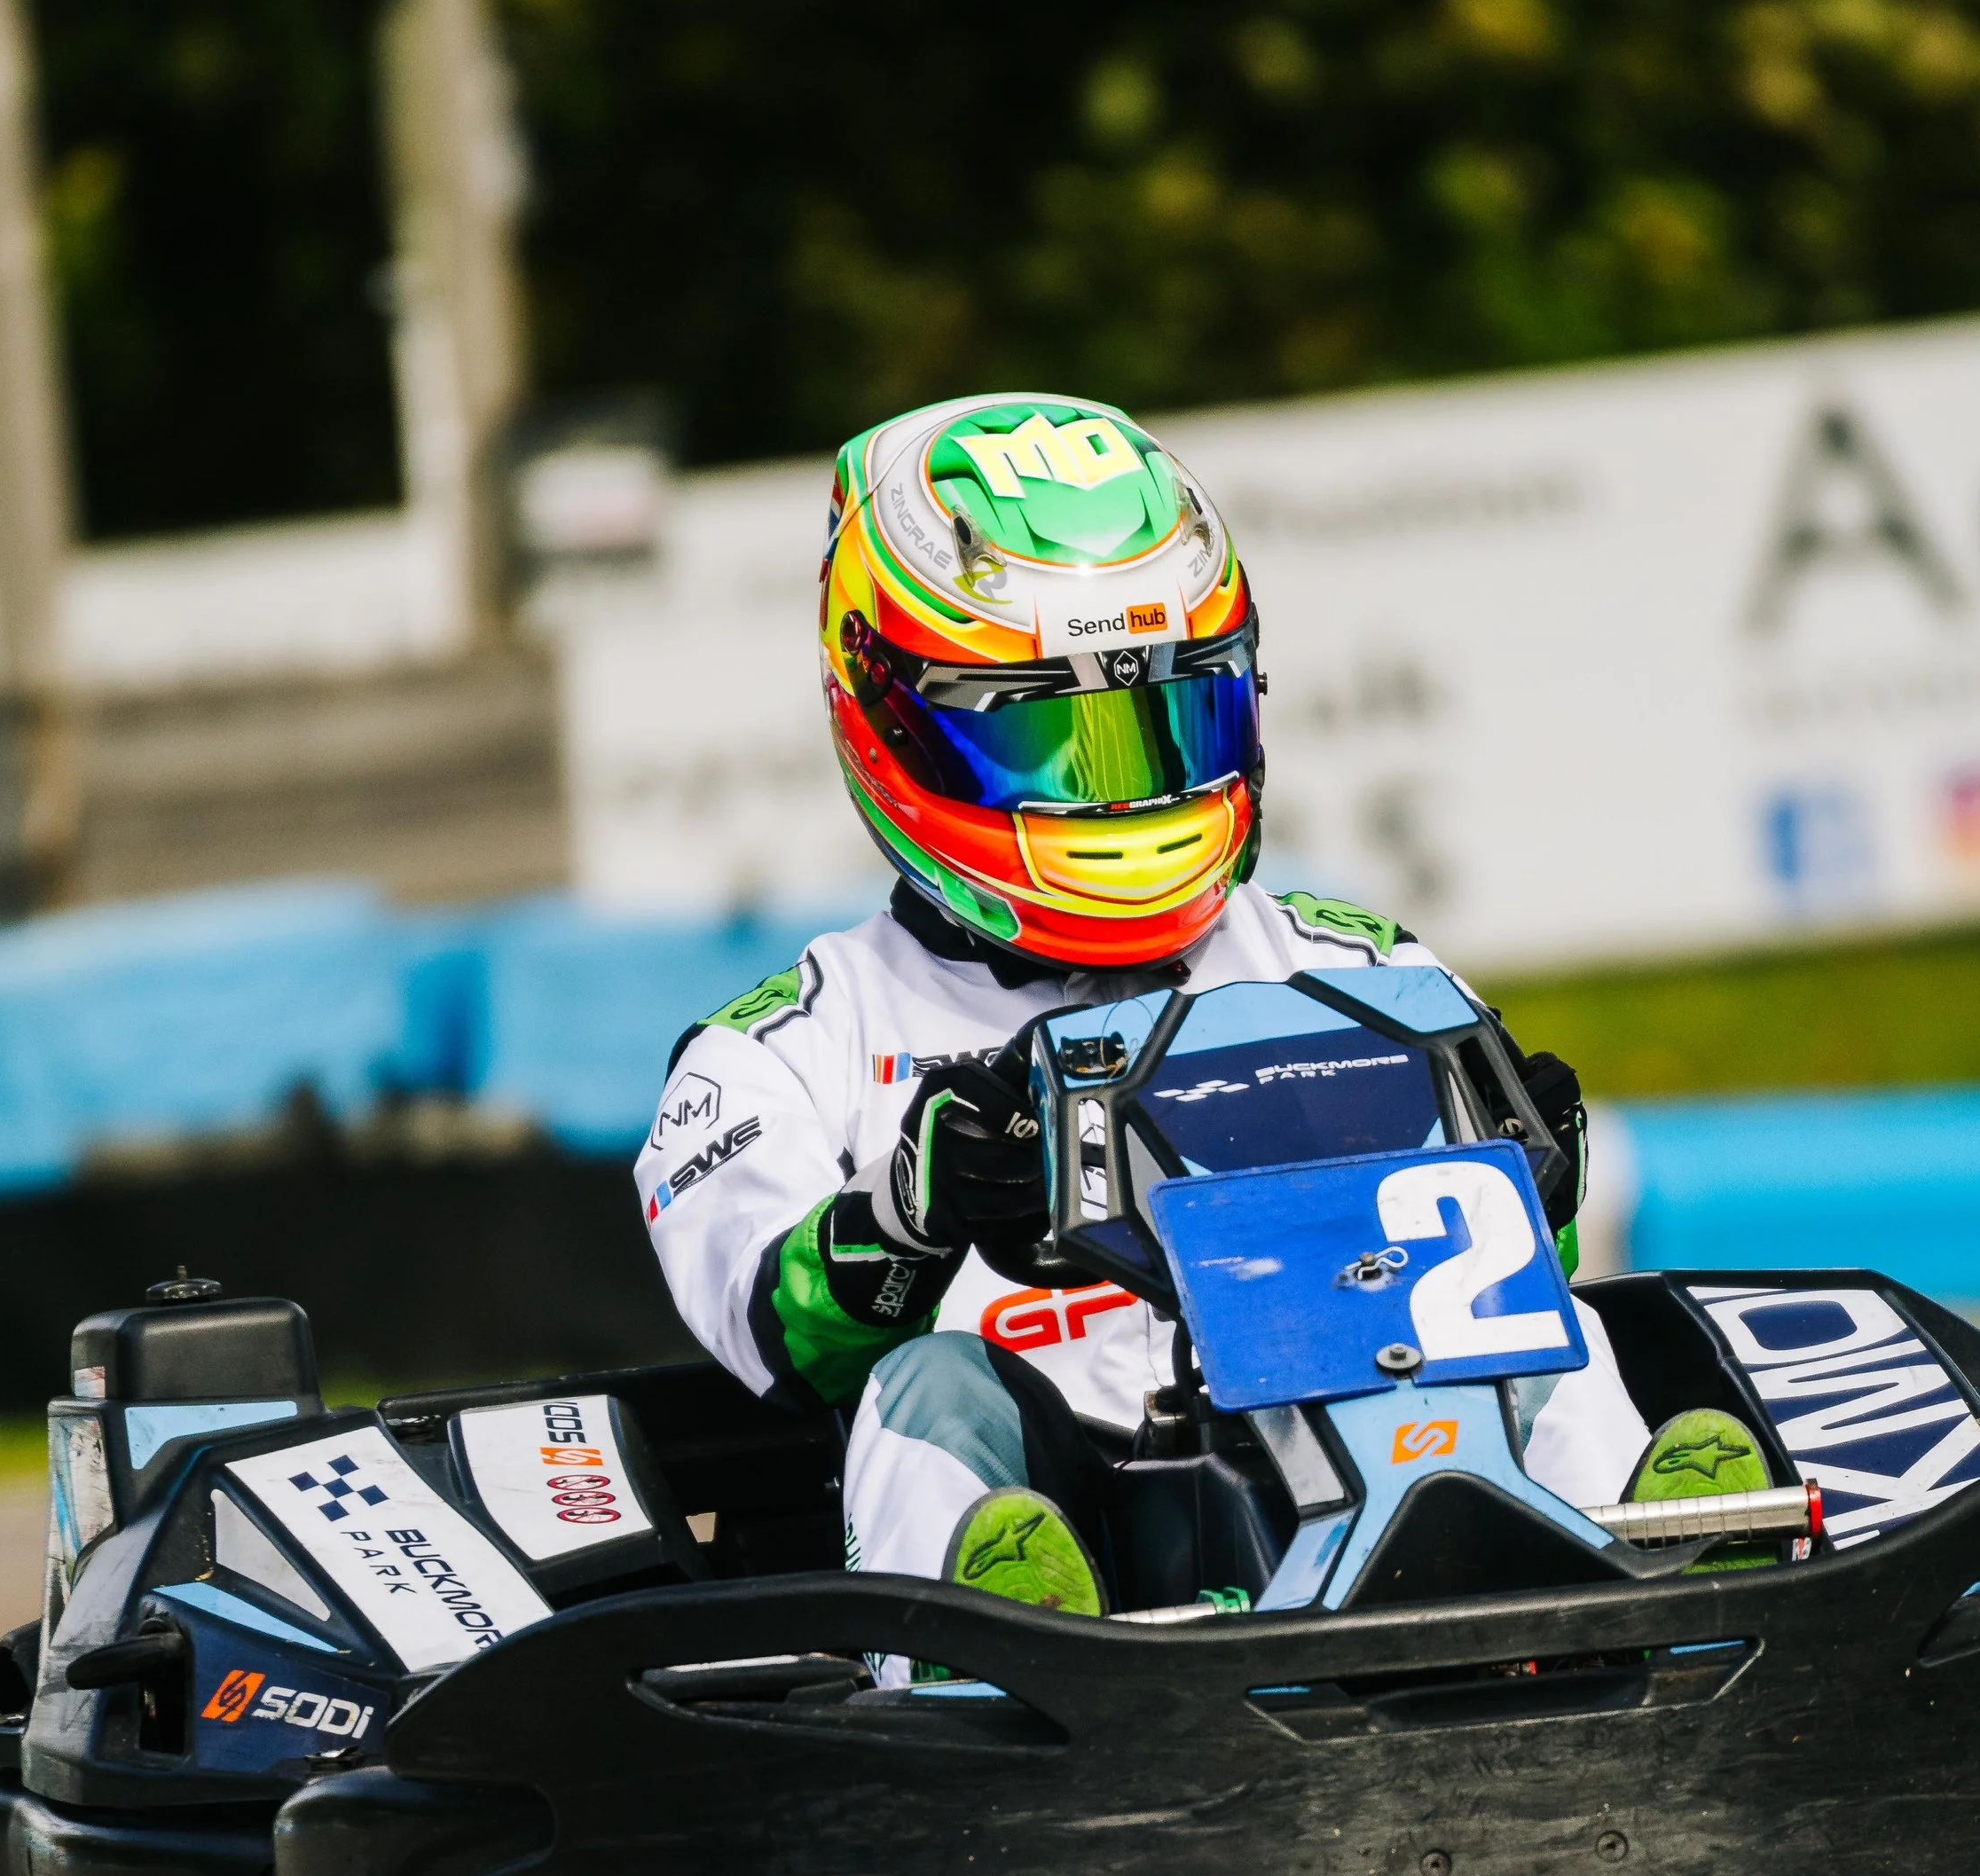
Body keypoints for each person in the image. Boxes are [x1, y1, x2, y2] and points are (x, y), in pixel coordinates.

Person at [638, 394, 1740, 1638]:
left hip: (1369, 1469)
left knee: (1546, 1311)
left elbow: (1500, 1247)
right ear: (891, 723)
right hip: (1073, 1534)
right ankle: (986, 1655)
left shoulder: (1348, 959)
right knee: (923, 1380)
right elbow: (775, 1340)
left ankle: (1670, 1585)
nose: (1128, 799)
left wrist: (1537, 1168)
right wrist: (909, 1209)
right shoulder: (785, 1047)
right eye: (1061, 745)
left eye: (1172, 719)